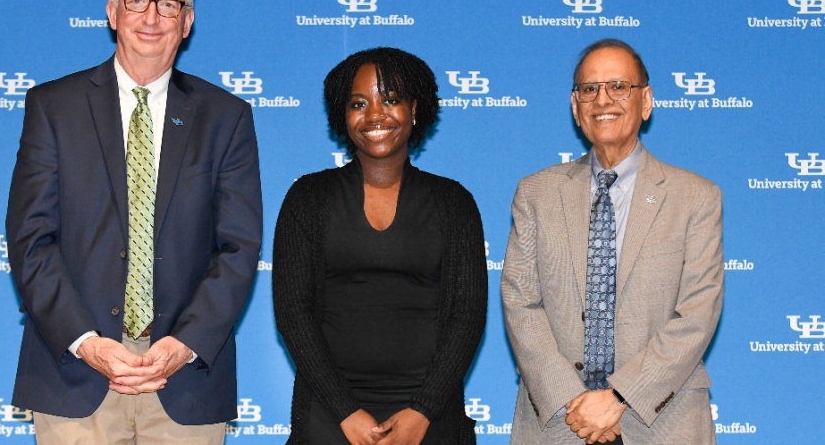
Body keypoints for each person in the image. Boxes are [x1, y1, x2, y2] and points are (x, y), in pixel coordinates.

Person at [5, 0, 262, 444]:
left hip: (183, 377)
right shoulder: (52, 106)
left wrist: (184, 345)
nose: (151, 17)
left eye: (168, 4)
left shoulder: (226, 117)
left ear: (186, 22)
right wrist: (88, 343)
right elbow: (30, 237)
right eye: (136, 0)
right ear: (111, 10)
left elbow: (238, 246)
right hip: (75, 372)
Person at [501, 39, 723, 444]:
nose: (603, 99)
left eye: (619, 86)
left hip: (663, 421)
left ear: (646, 101)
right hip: (559, 421)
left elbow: (697, 314)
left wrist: (619, 396)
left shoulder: (695, 197)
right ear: (575, 106)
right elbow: (520, 303)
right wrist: (576, 401)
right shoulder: (535, 193)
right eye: (590, 89)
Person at [272, 47, 487, 445]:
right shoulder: (308, 197)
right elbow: (293, 314)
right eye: (358, 103)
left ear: (415, 109)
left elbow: (467, 316)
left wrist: (423, 410)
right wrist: (345, 412)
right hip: (330, 414)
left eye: (390, 99)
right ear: (343, 114)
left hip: (430, 415)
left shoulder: (453, 202)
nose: (375, 115)